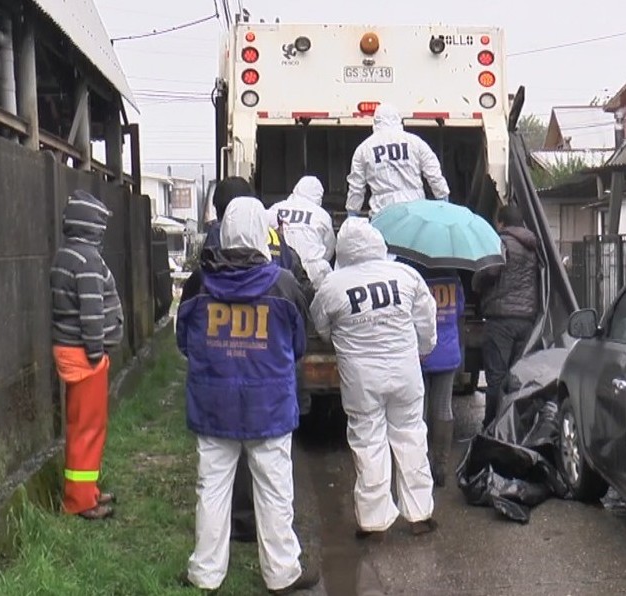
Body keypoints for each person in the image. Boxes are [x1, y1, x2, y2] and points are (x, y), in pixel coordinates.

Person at [176, 197, 320, 594]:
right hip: (268, 406)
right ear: (262, 231)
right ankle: (282, 573)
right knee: (275, 491)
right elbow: (298, 344)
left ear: (224, 232)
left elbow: (184, 341)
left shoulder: (199, 282)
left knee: (212, 488)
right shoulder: (283, 283)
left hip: (213, 404)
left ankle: (205, 574)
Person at [310, 218, 439, 539]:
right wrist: (424, 348)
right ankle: (419, 513)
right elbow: (426, 318)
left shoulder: (333, 285)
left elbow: (320, 325)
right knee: (411, 436)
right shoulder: (406, 275)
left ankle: (374, 521)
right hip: (405, 374)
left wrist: (338, 336)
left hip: (362, 380)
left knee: (368, 443)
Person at [49, 189, 123, 520]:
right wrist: (97, 352)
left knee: (83, 425)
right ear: (91, 227)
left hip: (71, 350)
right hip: (85, 356)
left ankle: (87, 491)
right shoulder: (88, 260)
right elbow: (91, 312)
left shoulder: (65, 255)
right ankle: (79, 501)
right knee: (88, 428)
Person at [472, 205, 540, 428]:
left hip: (501, 320)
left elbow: (490, 271)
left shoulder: (500, 242)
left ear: (501, 223)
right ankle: (516, 427)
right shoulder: (533, 245)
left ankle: (491, 426)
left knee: (496, 378)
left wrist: (476, 282)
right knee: (518, 377)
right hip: (526, 320)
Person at [345, 103, 451, 219]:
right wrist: (443, 198)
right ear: (398, 119)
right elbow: (434, 174)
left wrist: (352, 213)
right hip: (415, 211)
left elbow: (356, 187)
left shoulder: (363, 149)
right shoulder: (416, 142)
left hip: (382, 213)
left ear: (375, 122)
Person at [417, 268, 464, 488]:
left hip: (422, 351)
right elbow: (460, 309)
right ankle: (441, 466)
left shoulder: (417, 277)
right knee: (443, 408)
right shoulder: (453, 278)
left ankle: (422, 464)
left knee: (421, 410)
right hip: (448, 351)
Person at [267, 176, 335, 290]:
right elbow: (329, 249)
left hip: (279, 267)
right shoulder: (321, 214)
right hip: (313, 271)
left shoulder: (276, 208)